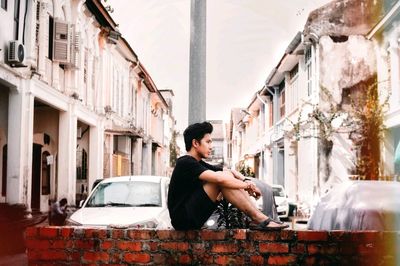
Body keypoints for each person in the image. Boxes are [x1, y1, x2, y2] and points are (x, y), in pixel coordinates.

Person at [167, 121, 288, 230]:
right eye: (208, 142)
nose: (211, 146)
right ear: (195, 143)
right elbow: (220, 178)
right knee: (221, 180)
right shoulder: (185, 162)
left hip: (193, 217)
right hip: (183, 219)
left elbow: (229, 170)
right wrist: (247, 186)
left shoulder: (198, 163)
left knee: (226, 174)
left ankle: (258, 218)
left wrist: (246, 180)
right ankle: (258, 218)